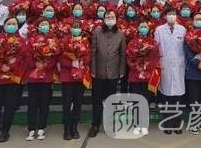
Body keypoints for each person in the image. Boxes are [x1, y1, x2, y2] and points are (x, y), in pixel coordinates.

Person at [0, 17, 29, 143]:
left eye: (14, 24)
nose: (11, 26)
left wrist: (10, 67)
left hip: (12, 79)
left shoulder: (21, 42)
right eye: (9, 23)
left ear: (17, 26)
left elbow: (23, 59)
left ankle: (5, 131)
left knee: (9, 106)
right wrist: (1, 67)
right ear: (4, 25)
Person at [89, 10, 126, 138]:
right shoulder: (97, 32)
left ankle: (110, 125)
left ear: (116, 19)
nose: (110, 18)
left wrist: (121, 70)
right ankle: (95, 125)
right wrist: (93, 69)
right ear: (104, 18)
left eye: (112, 17)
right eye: (108, 17)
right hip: (98, 73)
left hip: (113, 73)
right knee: (96, 100)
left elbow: (122, 54)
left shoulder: (120, 33)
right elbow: (93, 52)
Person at [25, 17, 60, 141]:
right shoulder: (32, 40)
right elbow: (27, 55)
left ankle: (41, 127)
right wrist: (35, 65)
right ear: (38, 26)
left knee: (44, 104)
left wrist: (45, 65)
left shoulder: (53, 40)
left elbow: (55, 57)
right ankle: (31, 128)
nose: (44, 26)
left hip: (47, 78)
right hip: (33, 77)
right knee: (32, 104)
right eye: (42, 24)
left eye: (46, 24)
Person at [155, 9, 187, 135]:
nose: (171, 16)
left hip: (179, 67)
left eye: (173, 14)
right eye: (169, 14)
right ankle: (167, 124)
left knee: (178, 97)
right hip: (165, 67)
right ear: (165, 16)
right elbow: (156, 48)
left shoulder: (182, 30)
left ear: (176, 16)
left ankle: (177, 124)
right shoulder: (159, 30)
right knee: (166, 97)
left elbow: (185, 48)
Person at [59, 22, 91, 140]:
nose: (76, 29)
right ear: (71, 29)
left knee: (78, 103)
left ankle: (74, 127)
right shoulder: (64, 41)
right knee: (67, 104)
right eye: (74, 27)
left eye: (78, 27)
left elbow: (88, 56)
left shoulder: (85, 42)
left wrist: (81, 60)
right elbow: (60, 57)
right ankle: (67, 128)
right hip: (67, 77)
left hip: (80, 77)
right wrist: (72, 62)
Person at [127, 20, 159, 107]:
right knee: (136, 99)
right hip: (135, 74)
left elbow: (155, 57)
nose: (143, 29)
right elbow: (129, 57)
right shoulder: (132, 42)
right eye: (141, 27)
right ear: (138, 28)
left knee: (146, 99)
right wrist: (137, 66)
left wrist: (146, 66)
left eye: (145, 27)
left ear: (148, 29)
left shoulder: (153, 42)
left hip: (148, 74)